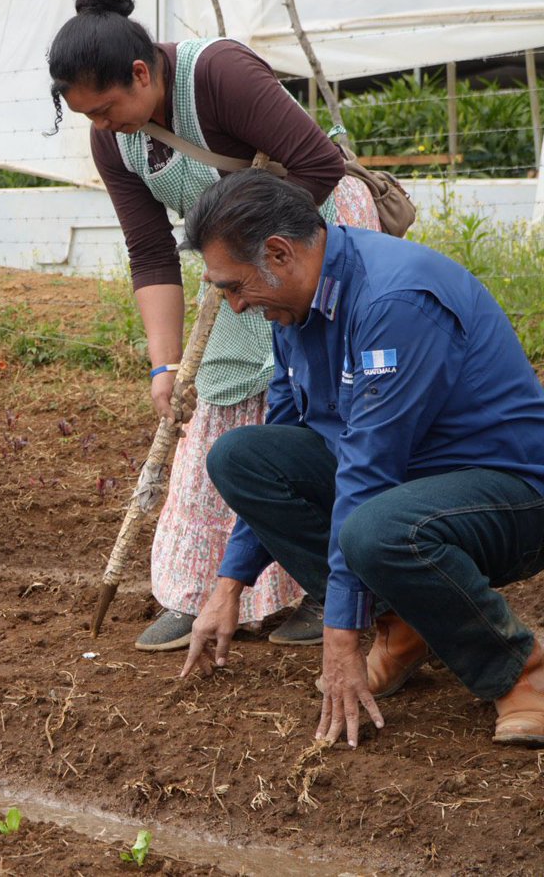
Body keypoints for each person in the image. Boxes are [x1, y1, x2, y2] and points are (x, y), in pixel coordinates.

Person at [47, 0, 382, 651]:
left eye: (107, 107)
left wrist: (255, 257)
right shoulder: (114, 140)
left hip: (315, 236)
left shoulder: (220, 73)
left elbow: (317, 164)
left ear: (142, 72)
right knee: (215, 402)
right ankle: (197, 589)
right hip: (233, 260)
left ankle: (335, 587)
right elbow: (150, 252)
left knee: (317, 404)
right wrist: (165, 363)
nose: (102, 125)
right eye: (87, 116)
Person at [178, 168, 544, 749]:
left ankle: (522, 672)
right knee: (241, 456)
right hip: (407, 486)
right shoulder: (292, 308)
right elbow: (289, 437)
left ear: (278, 252)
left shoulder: (394, 300)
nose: (235, 305)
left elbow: (369, 470)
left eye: (234, 286)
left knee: (376, 530)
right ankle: (402, 628)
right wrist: (230, 583)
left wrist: (338, 634)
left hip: (509, 494)